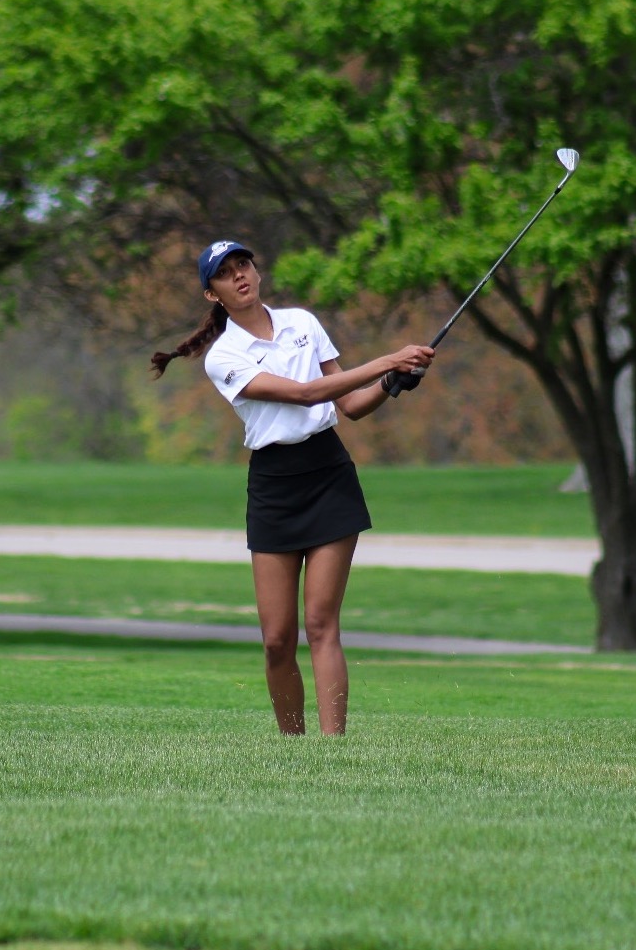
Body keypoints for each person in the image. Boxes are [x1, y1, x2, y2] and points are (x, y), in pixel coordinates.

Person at [150, 240, 434, 736]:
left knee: (322, 626)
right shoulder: (224, 357)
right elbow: (304, 395)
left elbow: (350, 404)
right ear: (211, 294)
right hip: (274, 485)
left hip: (328, 472)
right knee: (277, 640)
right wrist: (389, 358)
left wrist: (392, 384)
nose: (239, 276)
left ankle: (332, 749)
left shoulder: (303, 323)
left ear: (257, 272)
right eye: (225, 274)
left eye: (244, 265)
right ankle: (293, 746)